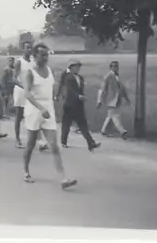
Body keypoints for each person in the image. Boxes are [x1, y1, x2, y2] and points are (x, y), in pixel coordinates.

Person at [22, 43, 77, 189]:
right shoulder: (30, 72)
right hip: (34, 110)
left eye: (47, 54)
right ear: (35, 56)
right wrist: (40, 108)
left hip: (48, 109)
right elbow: (27, 93)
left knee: (54, 145)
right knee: (31, 143)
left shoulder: (49, 70)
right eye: (42, 54)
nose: (46, 57)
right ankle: (26, 171)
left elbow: (51, 88)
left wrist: (53, 103)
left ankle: (63, 178)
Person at [61, 60, 101, 151]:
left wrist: (81, 97)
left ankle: (91, 142)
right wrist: (78, 96)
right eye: (76, 67)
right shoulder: (68, 78)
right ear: (71, 68)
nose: (78, 69)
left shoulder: (80, 78)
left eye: (79, 67)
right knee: (66, 124)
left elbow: (80, 90)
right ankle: (63, 141)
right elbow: (70, 90)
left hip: (78, 105)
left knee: (83, 124)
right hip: (70, 104)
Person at [97, 61, 130, 139]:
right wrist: (99, 100)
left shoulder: (118, 76)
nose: (116, 68)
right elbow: (102, 89)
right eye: (114, 66)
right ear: (111, 67)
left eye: (117, 66)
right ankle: (122, 131)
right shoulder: (107, 77)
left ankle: (103, 130)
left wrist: (126, 97)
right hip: (110, 100)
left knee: (110, 116)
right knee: (115, 116)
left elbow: (122, 88)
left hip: (117, 99)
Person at [13, 42, 35, 148]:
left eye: (30, 48)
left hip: (30, 91)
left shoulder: (33, 62)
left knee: (32, 114)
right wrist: (23, 86)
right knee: (19, 115)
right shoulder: (19, 62)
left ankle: (34, 139)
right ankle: (17, 139)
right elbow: (13, 78)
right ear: (23, 49)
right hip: (20, 90)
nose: (29, 50)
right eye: (27, 48)